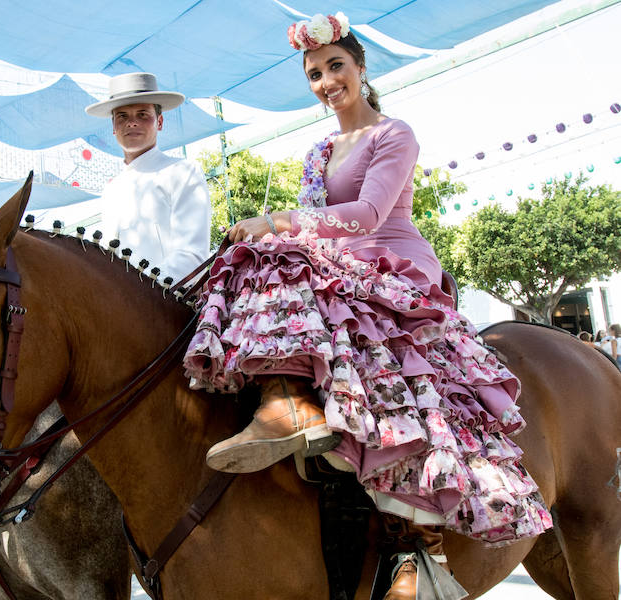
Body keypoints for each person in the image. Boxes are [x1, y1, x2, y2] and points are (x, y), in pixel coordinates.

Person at [182, 12, 552, 599]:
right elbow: (311, 226)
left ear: (359, 69)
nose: (327, 81)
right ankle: (287, 407)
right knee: (261, 263)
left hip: (392, 264)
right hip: (336, 265)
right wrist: (266, 238)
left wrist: (273, 222)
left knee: (401, 388)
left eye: (335, 67)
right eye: (314, 74)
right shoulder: (319, 148)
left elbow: (367, 216)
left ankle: (412, 546)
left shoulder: (393, 134)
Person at [86, 72, 211, 283]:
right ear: (114, 127)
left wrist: (133, 290)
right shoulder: (111, 190)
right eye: (122, 116)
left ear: (159, 122)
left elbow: (191, 257)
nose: (132, 122)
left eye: (142, 114)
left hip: (174, 307)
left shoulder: (182, 171)